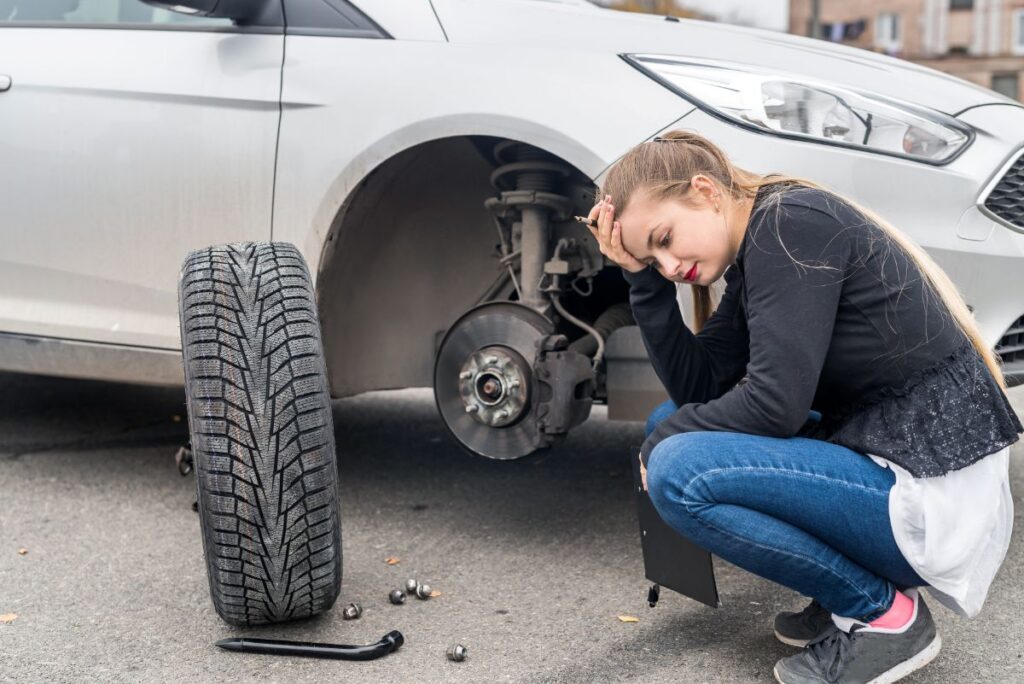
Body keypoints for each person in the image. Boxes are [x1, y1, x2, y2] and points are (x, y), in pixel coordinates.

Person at [585, 130, 1022, 683]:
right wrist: (639, 279)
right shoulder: (762, 246)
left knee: (677, 469)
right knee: (667, 429)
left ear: (705, 191)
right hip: (891, 459)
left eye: (665, 239)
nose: (669, 264)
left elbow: (774, 408)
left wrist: (661, 443)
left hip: (932, 496)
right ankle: (846, 589)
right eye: (655, 257)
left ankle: (884, 616)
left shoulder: (790, 227)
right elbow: (699, 390)